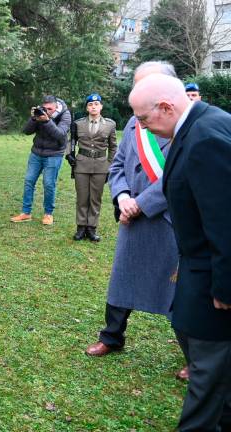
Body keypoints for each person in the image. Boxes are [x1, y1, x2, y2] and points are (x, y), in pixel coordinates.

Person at [131, 73, 231, 432]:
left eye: (143, 119)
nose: (141, 127)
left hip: (213, 279)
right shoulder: (198, 126)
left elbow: (225, 218)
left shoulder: (206, 137)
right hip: (197, 271)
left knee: (207, 373)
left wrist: (225, 286)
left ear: (166, 107)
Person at [85, 61, 187, 381]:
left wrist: (142, 203)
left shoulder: (183, 127)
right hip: (132, 218)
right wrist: (123, 196)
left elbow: (178, 177)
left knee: (178, 290)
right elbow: (117, 167)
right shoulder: (133, 123)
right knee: (122, 280)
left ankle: (195, 354)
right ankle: (111, 337)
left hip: (168, 220)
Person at [11, 95, 71, 225]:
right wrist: (34, 118)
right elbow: (26, 131)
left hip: (54, 154)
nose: (47, 111)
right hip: (37, 153)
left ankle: (48, 214)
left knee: (49, 184)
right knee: (28, 181)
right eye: (45, 108)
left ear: (56, 107)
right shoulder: (40, 113)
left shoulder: (65, 115)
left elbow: (60, 134)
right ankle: (26, 213)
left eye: (50, 109)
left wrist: (46, 120)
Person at [68, 93, 117, 241]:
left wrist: (109, 164)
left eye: (96, 104)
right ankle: (81, 227)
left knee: (95, 198)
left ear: (101, 106)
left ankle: (92, 228)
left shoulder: (110, 124)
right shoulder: (78, 123)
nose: (93, 107)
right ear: (87, 108)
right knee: (82, 198)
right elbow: (70, 141)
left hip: (101, 165)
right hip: (82, 164)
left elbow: (113, 147)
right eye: (90, 105)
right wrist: (69, 154)